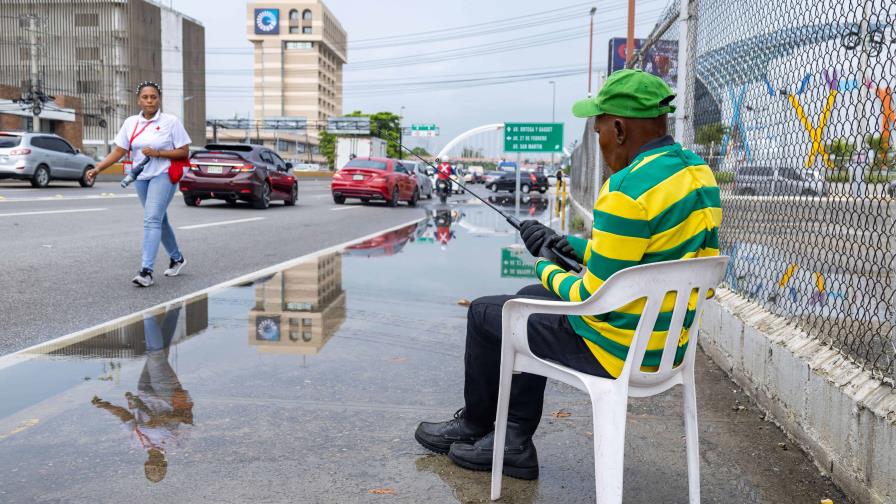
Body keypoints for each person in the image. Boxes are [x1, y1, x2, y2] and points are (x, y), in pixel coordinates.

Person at [414, 69, 723, 480]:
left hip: (614, 348)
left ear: (618, 128)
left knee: (489, 314)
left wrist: (545, 266)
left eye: (598, 131)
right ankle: (512, 441)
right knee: (526, 298)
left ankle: (478, 426)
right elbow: (639, 257)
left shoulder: (625, 190)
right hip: (666, 345)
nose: (598, 142)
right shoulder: (697, 176)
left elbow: (591, 296)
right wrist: (564, 244)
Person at [86, 81, 190, 287]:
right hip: (141, 176)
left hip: (164, 174)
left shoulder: (171, 122)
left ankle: (146, 271)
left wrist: (158, 153)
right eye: (145, 97)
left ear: (159, 99)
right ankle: (177, 258)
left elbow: (184, 151)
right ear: (138, 100)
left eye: (153, 97)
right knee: (159, 220)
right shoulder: (131, 123)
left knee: (151, 219)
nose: (150, 101)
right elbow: (119, 151)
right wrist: (98, 168)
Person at [91, 304, 194, 483]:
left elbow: (125, 417)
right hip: (167, 394)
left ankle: (175, 307)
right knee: (155, 355)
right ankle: (148, 313)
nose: (154, 465)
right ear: (164, 466)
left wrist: (105, 405)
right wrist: (162, 420)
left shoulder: (138, 442)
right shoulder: (177, 444)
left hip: (144, 390)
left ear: (145, 464)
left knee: (160, 353)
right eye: (158, 468)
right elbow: (186, 419)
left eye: (150, 468)